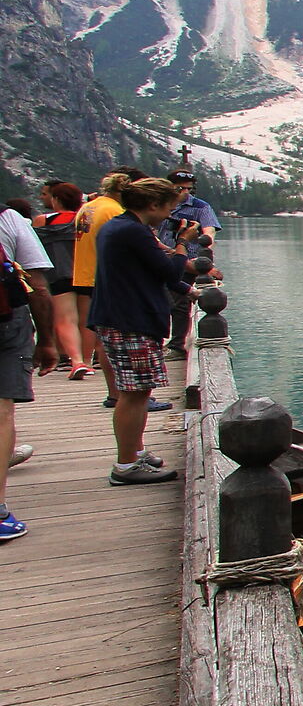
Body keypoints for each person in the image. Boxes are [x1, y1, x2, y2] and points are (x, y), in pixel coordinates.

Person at [87, 177, 199, 485]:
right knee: (134, 394)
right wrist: (183, 242)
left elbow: (147, 271)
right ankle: (126, 465)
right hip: (129, 319)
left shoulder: (120, 227)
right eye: (168, 208)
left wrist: (186, 290)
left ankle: (135, 452)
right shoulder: (133, 231)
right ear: (153, 205)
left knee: (138, 391)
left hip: (120, 316)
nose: (169, 215)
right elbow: (168, 271)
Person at [0, 197, 62, 537]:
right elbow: (37, 286)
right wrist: (47, 341)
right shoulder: (8, 218)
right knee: (1, 411)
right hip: (7, 322)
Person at [71, 169, 138, 398]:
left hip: (83, 272)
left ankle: (88, 363)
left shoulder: (88, 207)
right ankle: (118, 392)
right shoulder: (114, 211)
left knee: (94, 328)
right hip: (105, 275)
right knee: (112, 336)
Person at [32, 181, 86, 375]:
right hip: (85, 272)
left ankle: (76, 360)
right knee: (86, 320)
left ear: (56, 199)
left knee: (65, 319)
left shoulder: (42, 221)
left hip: (58, 274)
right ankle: (89, 359)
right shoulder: (83, 219)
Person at [164, 171, 219, 355]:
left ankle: (177, 345)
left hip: (187, 259)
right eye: (181, 188)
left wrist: (206, 247)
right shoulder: (161, 205)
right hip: (160, 258)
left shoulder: (200, 207)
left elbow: (209, 230)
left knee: (180, 302)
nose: (185, 192)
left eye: (189, 188)